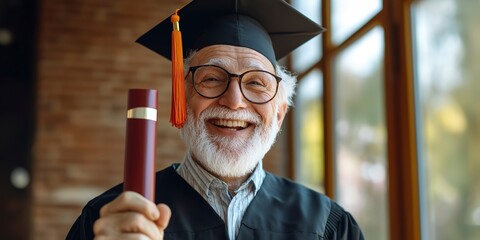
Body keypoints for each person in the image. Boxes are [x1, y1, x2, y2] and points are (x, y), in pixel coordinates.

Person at [66, 0, 365, 239]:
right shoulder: (111, 219)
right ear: (182, 98)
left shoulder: (328, 226)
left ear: (279, 112)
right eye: (211, 78)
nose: (234, 101)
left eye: (256, 83)